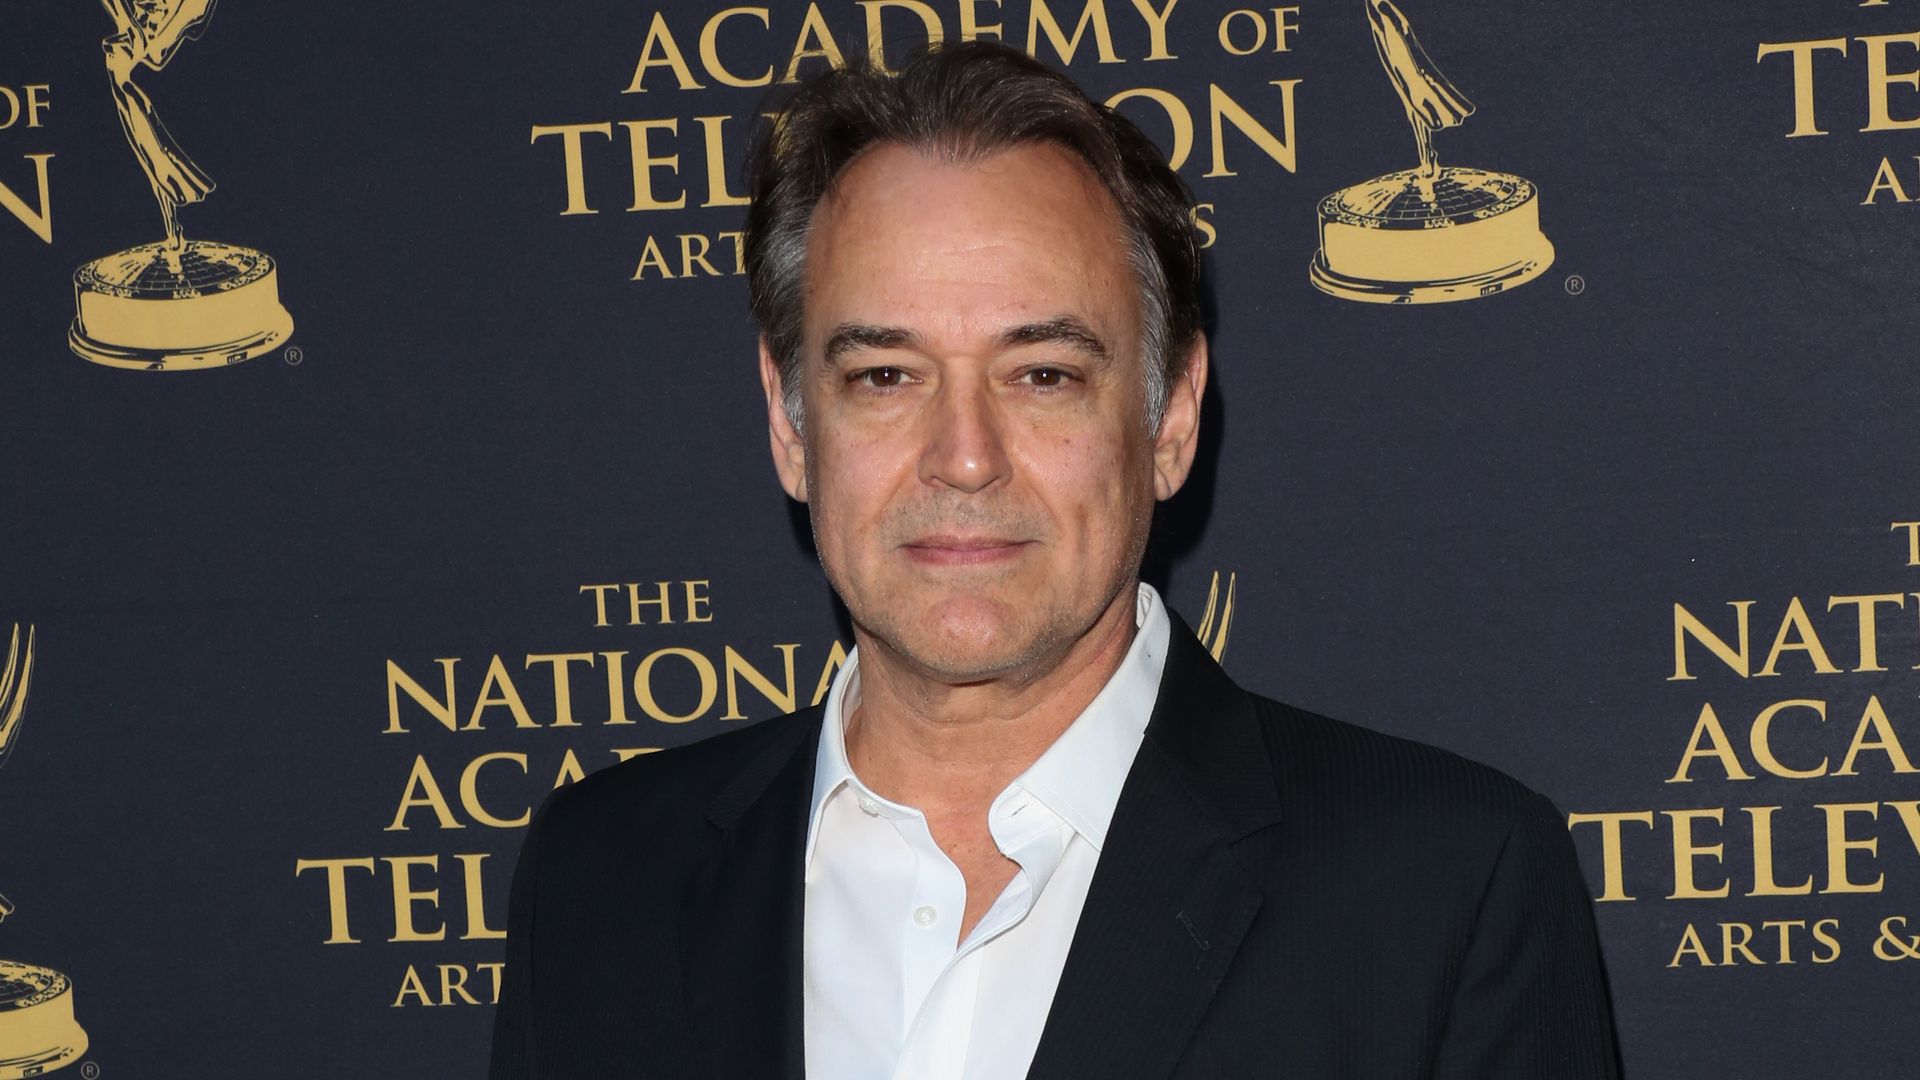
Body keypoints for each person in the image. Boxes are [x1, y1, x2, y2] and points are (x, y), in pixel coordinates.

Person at [489, 40, 1619, 1080]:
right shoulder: (600, 880)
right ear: (791, 424)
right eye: (885, 376)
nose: (964, 457)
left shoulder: (1445, 891)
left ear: (1171, 416)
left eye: (1043, 375)